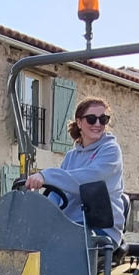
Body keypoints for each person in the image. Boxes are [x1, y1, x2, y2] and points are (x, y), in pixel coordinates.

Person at [24, 97, 124, 246]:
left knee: (60, 246)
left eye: (103, 119)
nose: (97, 124)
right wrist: (43, 215)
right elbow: (57, 192)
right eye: (91, 119)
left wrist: (46, 175)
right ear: (79, 122)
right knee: (28, 239)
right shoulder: (71, 156)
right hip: (70, 226)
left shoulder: (110, 150)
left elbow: (89, 180)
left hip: (101, 228)